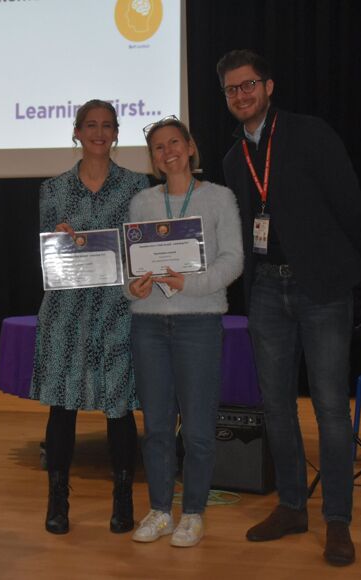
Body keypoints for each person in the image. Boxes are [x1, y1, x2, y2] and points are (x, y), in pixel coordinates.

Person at [217, 49, 361, 566]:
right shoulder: (233, 160)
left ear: (268, 86)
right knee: (277, 407)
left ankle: (338, 520)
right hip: (265, 291)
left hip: (321, 289)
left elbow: (352, 206)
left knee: (330, 408)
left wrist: (337, 267)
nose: (242, 95)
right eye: (232, 89)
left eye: (249, 84)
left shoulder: (309, 133)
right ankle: (291, 506)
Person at [30, 99, 149, 535]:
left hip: (118, 310)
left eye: (107, 125)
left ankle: (123, 498)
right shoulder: (53, 189)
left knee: (119, 409)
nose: (99, 133)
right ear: (77, 131)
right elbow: (46, 256)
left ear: (117, 133)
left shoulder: (138, 185)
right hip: (66, 312)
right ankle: (57, 500)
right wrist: (58, 241)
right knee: (62, 408)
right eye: (91, 125)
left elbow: (141, 249)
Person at [127, 117, 243, 547]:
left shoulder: (219, 197)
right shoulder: (142, 202)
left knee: (196, 428)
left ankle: (193, 513)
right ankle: (160, 510)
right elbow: (130, 267)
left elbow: (233, 260)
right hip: (148, 324)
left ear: (190, 147)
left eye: (174, 142)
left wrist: (188, 284)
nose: (168, 152)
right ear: (153, 158)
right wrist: (133, 287)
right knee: (157, 426)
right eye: (158, 147)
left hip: (199, 321)